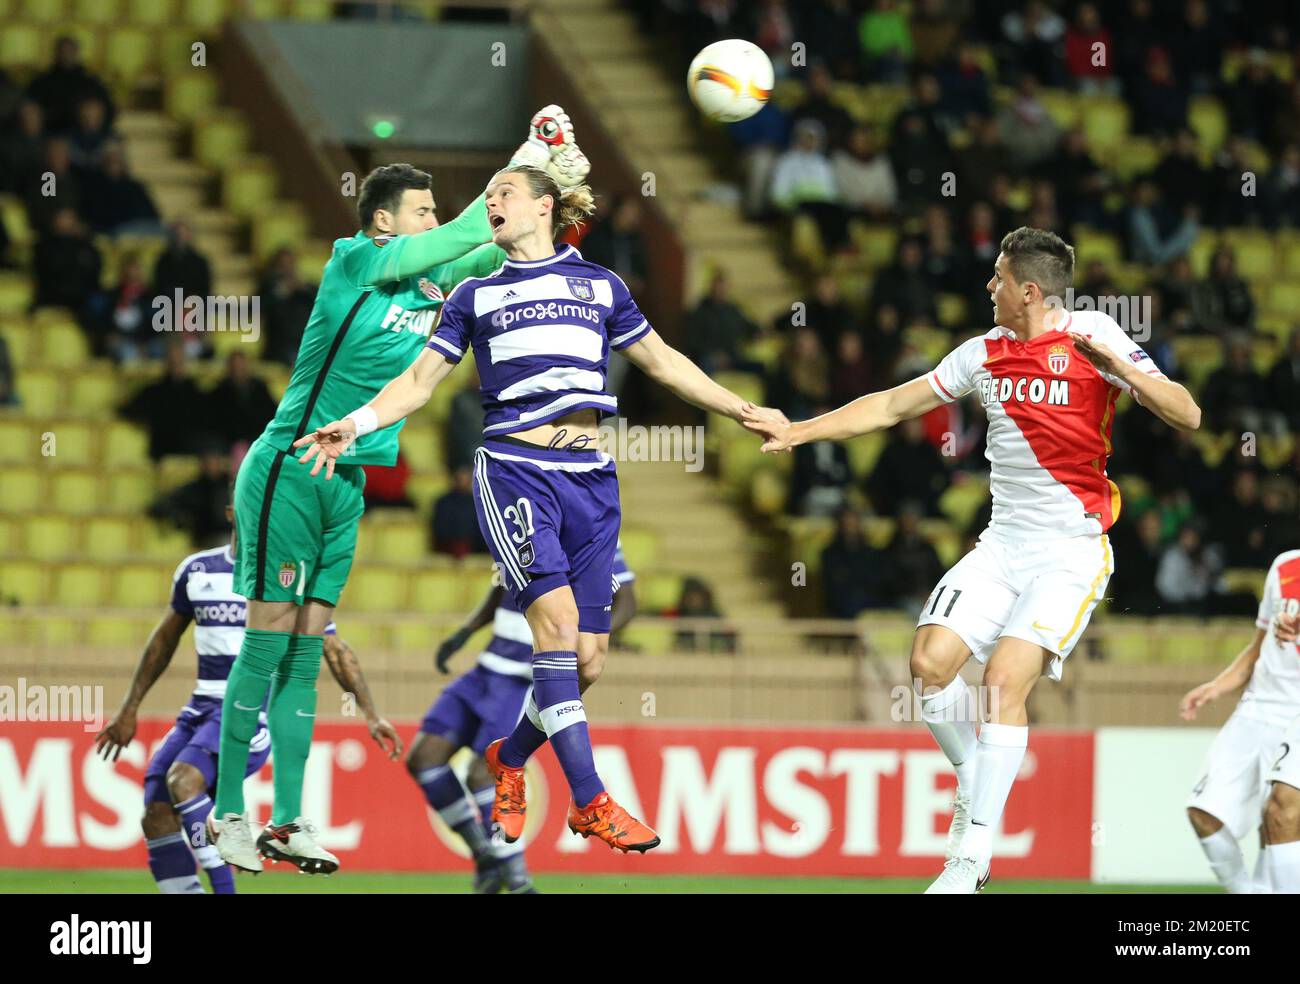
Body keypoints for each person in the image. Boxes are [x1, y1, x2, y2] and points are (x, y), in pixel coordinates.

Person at [293, 165, 777, 853]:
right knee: (553, 626)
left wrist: (742, 408)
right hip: (517, 468)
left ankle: (511, 756)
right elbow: (419, 382)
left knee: (589, 659)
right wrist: (359, 422)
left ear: (545, 208)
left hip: (593, 474)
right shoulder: (472, 294)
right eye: (486, 197)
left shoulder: (600, 286)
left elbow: (664, 363)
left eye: (504, 194)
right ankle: (593, 801)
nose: (490, 204)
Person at [743, 227, 1200, 892]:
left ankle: (970, 859)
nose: (988, 288)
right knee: (927, 664)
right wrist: (800, 429)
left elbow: (1186, 413)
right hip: (1002, 545)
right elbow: (893, 404)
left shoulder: (1094, 332)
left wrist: (1121, 369)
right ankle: (972, 783)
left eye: (998, 278)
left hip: (1070, 552)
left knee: (1003, 682)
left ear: (1029, 290)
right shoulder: (982, 353)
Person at [206, 107, 590, 875]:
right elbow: (459, 238)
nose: (436, 222)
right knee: (269, 637)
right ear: (384, 222)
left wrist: (545, 190)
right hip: (289, 461)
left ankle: (285, 820)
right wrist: (523, 154)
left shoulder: (432, 283)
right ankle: (224, 813)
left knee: (305, 654)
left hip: (346, 479)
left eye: (436, 212)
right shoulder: (354, 260)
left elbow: (497, 250)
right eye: (422, 211)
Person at [93, 493, 398, 893]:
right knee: (156, 811)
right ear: (232, 512)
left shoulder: (289, 577)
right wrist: (129, 708)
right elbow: (162, 643)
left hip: (249, 711)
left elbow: (335, 650)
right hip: (199, 708)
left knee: (183, 781)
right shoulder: (197, 571)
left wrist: (371, 713)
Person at [408, 543, 636, 893]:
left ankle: (517, 881)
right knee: (424, 759)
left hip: (524, 676)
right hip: (487, 668)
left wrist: (588, 640)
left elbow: (628, 600)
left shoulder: (585, 524)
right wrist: (465, 632)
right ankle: (487, 856)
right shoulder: (518, 512)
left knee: (485, 773)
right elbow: (503, 582)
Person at [1181, 548, 1300, 893]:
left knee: (1279, 816)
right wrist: (1216, 686)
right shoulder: (1284, 565)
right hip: (1256, 707)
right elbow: (1258, 645)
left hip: (1296, 713)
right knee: (1202, 812)